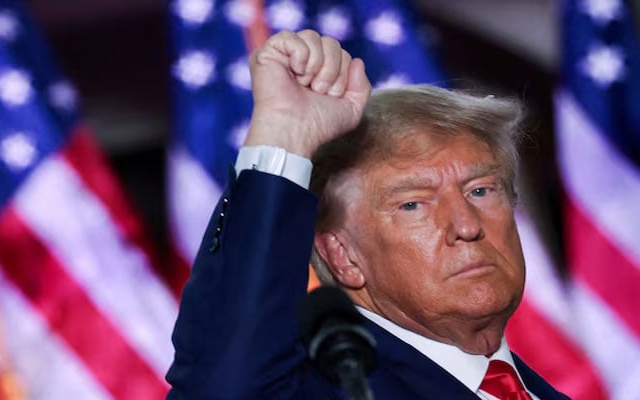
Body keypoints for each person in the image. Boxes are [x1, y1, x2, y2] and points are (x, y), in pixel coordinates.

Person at [165, 30, 570, 400]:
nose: (466, 226)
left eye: (480, 191)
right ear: (343, 256)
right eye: (412, 204)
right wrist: (285, 136)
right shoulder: (324, 389)